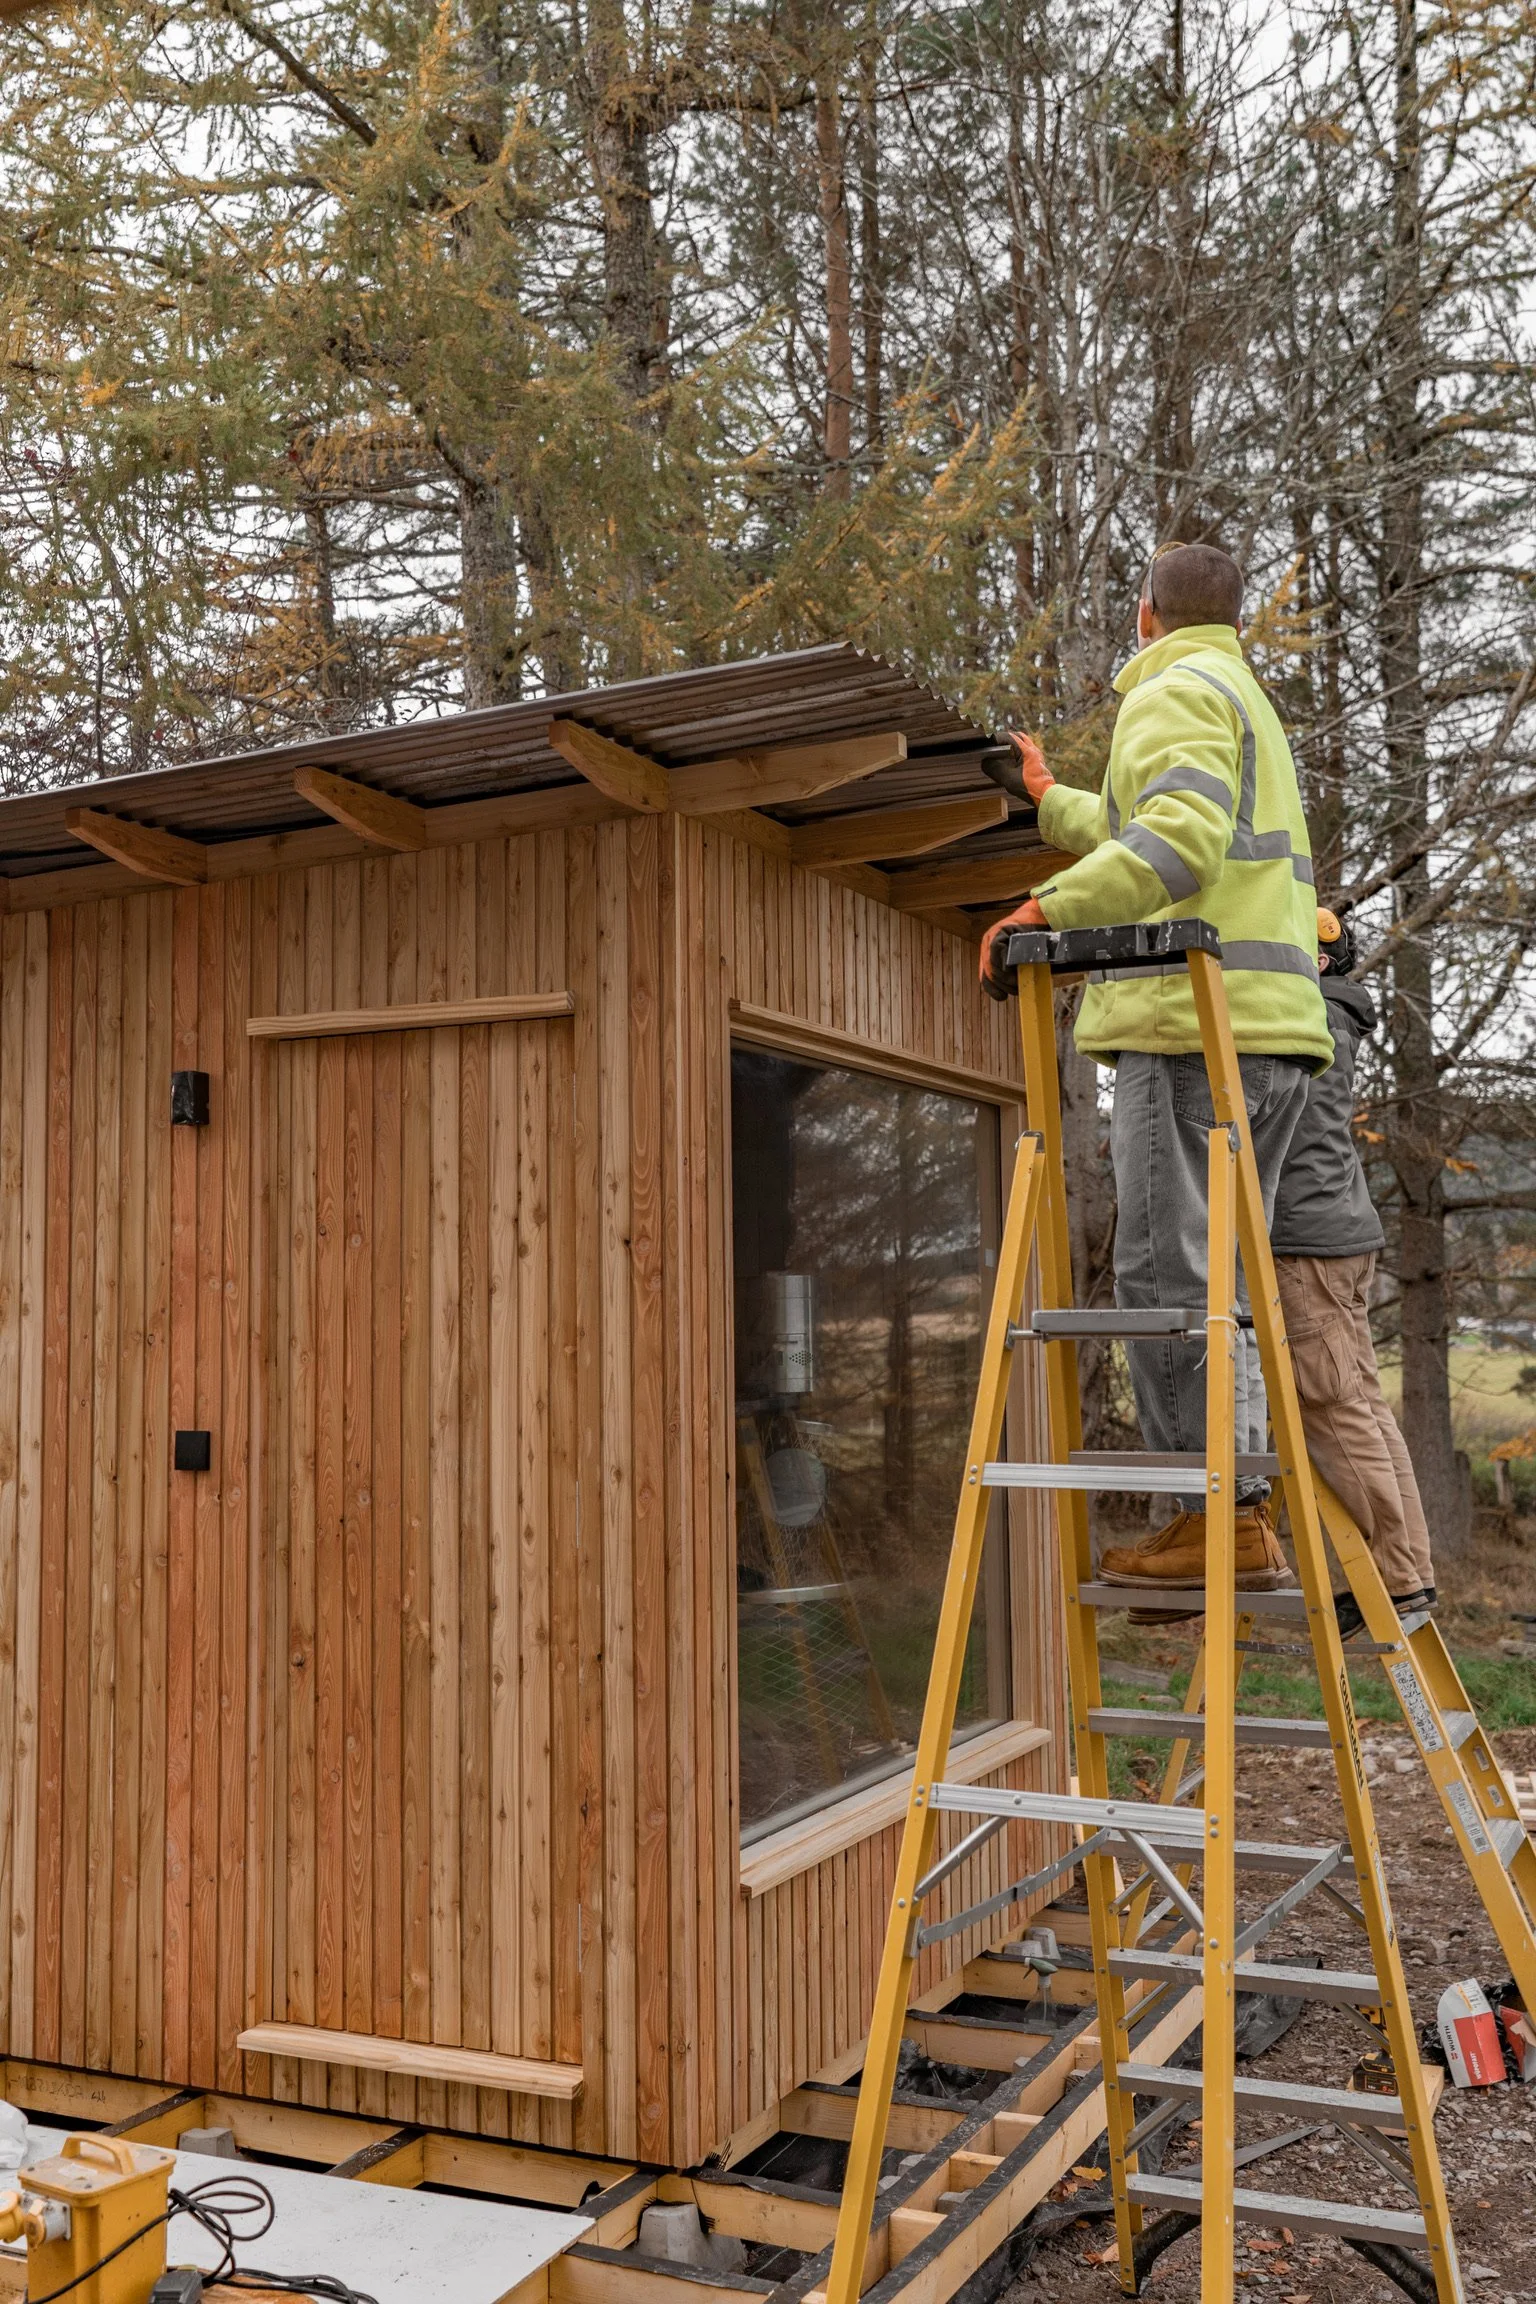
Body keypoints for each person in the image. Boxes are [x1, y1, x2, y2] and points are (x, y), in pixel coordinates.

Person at [980, 540, 1333, 1595]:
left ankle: (1203, 1513)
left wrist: (1045, 910)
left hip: (1187, 1033)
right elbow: (1154, 822)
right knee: (1220, 1284)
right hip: (1266, 1038)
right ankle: (1239, 1509)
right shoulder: (1243, 699)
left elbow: (1172, 846)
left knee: (1166, 1280)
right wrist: (1051, 798)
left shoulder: (1174, 690)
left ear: (1147, 616)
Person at [1270, 906, 1437, 1633]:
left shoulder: (1311, 1016)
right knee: (1361, 1404)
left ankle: (1393, 1579)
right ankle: (1408, 1574)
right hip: (1333, 1232)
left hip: (1309, 1242)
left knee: (1329, 1404)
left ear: (1320, 960)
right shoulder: (1330, 1012)